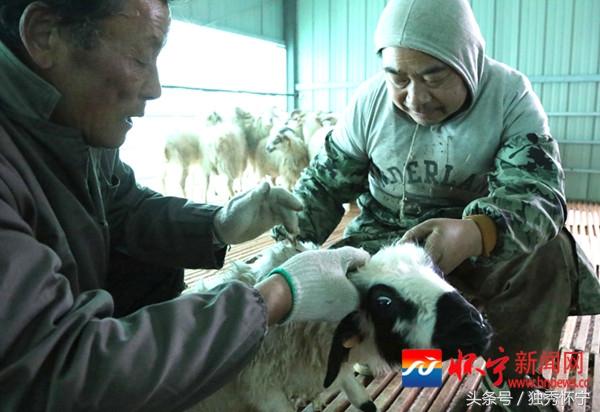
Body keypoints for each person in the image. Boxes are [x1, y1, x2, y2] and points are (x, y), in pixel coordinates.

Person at [0, 1, 371, 411]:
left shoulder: (66, 118)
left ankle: (430, 366)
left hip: (413, 276)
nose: (155, 88)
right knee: (390, 344)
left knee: (430, 348)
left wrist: (215, 224)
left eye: (433, 75)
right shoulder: (367, 116)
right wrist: (274, 293)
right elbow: (53, 368)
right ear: (43, 35)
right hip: (52, 375)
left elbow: (120, 205)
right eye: (140, 58)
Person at [275, 0, 600, 401]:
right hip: (387, 242)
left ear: (467, 62)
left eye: (434, 77)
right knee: (321, 284)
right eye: (398, 79)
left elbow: (538, 192)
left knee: (547, 254)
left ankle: (515, 383)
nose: (415, 98)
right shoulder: (368, 103)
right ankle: (407, 371)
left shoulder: (508, 95)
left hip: (477, 242)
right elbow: (322, 187)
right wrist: (281, 249)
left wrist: (477, 232)